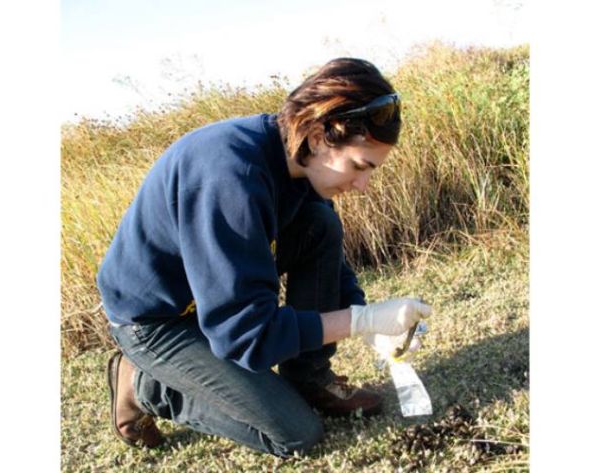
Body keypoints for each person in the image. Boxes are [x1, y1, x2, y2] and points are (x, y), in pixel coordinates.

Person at [98, 57, 432, 457]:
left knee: (320, 223)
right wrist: (362, 321)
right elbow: (246, 336)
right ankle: (143, 386)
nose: (363, 185)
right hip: (157, 320)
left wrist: (368, 317)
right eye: (360, 166)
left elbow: (327, 258)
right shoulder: (229, 178)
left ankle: (310, 377)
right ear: (318, 136)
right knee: (295, 433)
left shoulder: (299, 164)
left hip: (212, 300)